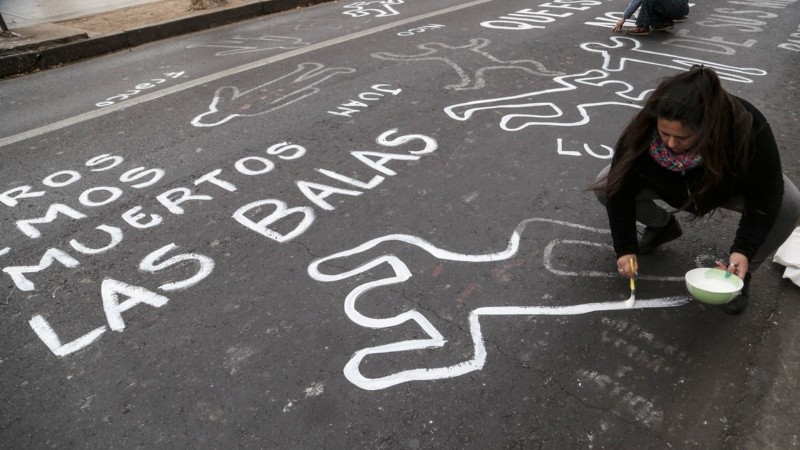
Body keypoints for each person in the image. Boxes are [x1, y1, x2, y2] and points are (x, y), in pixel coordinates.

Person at [593, 65, 800, 314]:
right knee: (606, 183)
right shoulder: (646, 125)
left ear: (708, 128)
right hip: (669, 184)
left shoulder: (747, 126)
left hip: (724, 187)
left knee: (789, 203)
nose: (670, 143)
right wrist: (625, 247)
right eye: (664, 133)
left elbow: (766, 195)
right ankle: (662, 226)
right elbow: (620, 188)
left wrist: (743, 250)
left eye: (681, 138)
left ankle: (737, 275)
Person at [612, 0, 689, 36]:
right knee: (655, 3)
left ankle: (642, 27)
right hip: (681, 8)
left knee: (648, 1)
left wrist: (624, 18)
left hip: (675, 7)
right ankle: (663, 23)